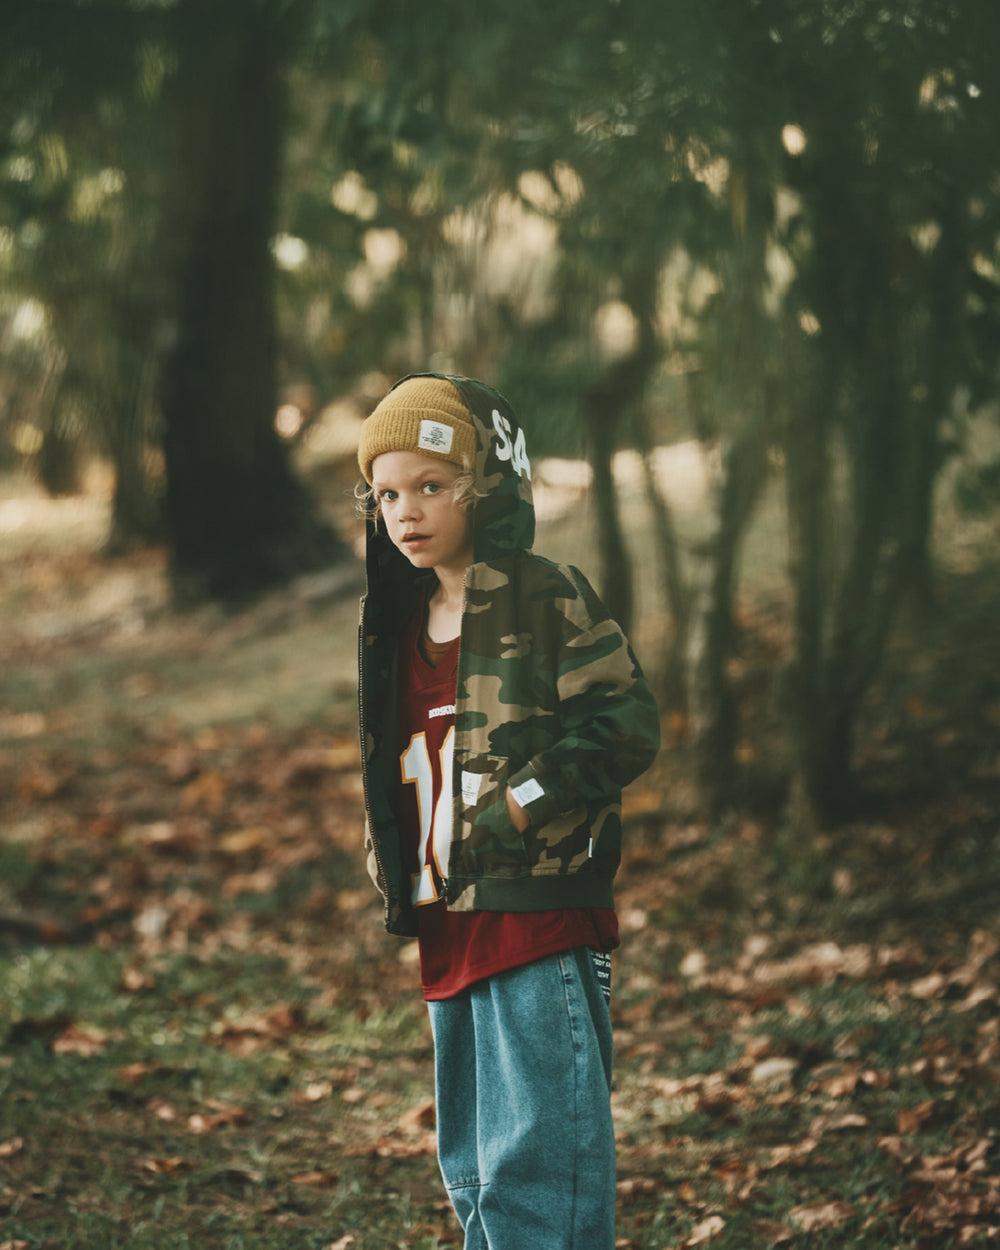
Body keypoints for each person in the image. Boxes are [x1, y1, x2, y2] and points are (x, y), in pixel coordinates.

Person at [356, 372, 660, 1249]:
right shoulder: (395, 625)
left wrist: (520, 804)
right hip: (448, 922)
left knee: (544, 1167)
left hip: (537, 919)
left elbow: (624, 724)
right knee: (477, 1171)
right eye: (387, 494)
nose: (406, 512)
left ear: (483, 486)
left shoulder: (543, 594)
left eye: (431, 486)